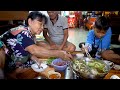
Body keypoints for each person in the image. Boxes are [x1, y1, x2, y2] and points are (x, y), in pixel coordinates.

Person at [0, 11, 73, 74]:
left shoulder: (32, 35)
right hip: (4, 57)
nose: (42, 28)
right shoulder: (23, 31)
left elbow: (28, 51)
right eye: (40, 24)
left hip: (12, 59)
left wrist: (37, 60)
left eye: (43, 25)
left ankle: (11, 72)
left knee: (32, 65)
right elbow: (34, 50)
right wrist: (59, 53)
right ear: (30, 21)